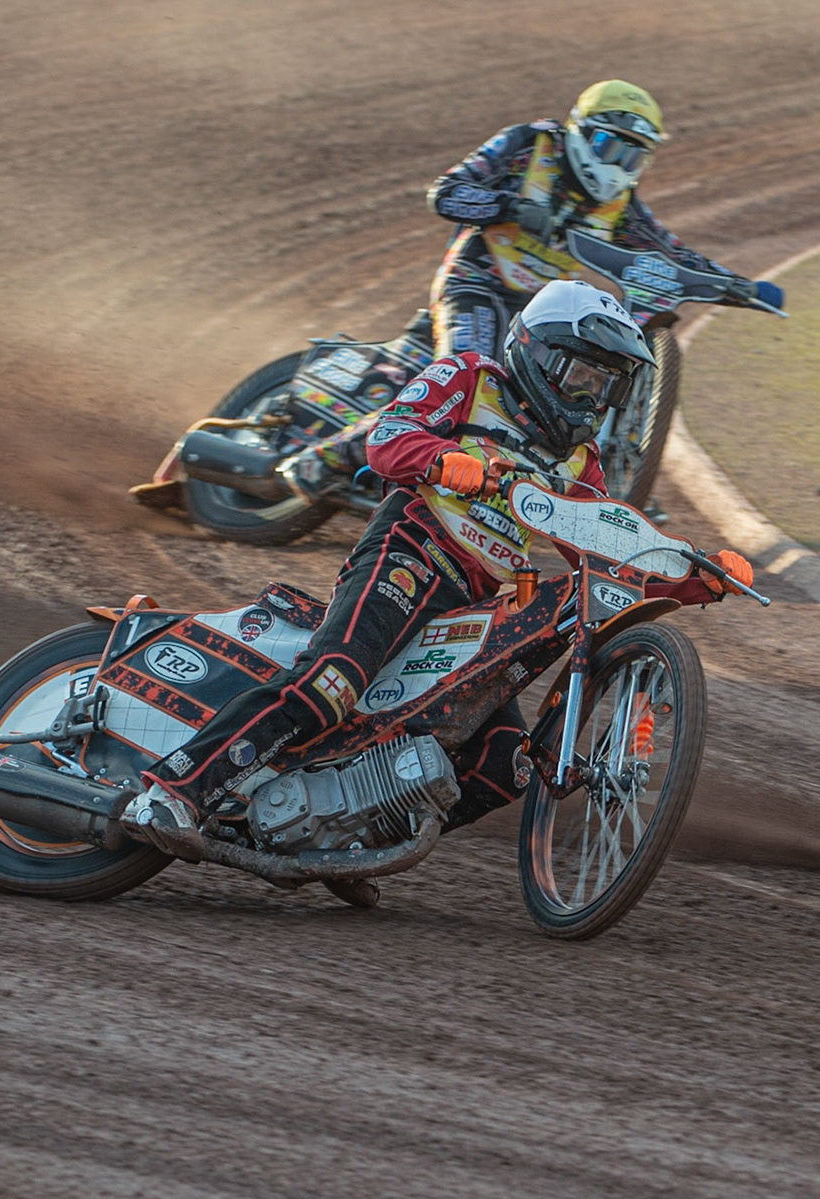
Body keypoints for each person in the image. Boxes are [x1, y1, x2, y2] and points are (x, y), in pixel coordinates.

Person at [129, 280, 753, 842]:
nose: (592, 399)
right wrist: (444, 461)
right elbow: (386, 439)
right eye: (583, 376)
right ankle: (173, 792)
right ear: (537, 351)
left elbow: (601, 540)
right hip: (411, 553)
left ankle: (356, 836)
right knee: (331, 684)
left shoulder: (579, 461)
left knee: (504, 763)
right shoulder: (470, 377)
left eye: (607, 385)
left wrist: (692, 573)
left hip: (483, 608)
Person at [278, 79, 782, 502]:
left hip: (536, 318)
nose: (619, 165)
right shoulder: (529, 145)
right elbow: (447, 192)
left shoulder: (620, 206)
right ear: (582, 132)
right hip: (475, 284)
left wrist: (739, 285)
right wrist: (509, 208)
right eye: (611, 146)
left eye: (634, 157)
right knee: (469, 380)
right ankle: (322, 459)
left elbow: (668, 251)